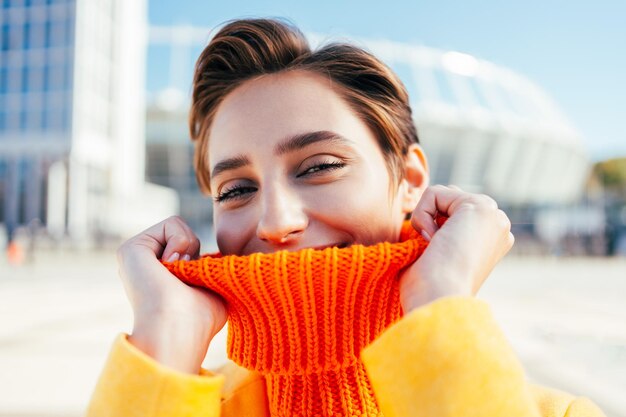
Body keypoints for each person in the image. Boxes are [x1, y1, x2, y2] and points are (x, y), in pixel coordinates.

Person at [86, 18, 604, 417]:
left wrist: (438, 301)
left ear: (411, 181)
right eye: (237, 189)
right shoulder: (177, 398)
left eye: (320, 167)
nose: (275, 221)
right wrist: (165, 336)